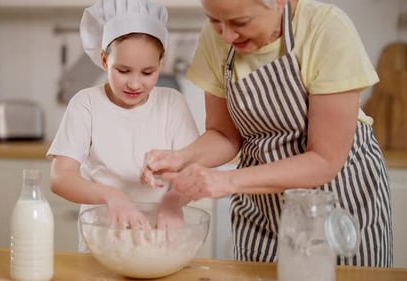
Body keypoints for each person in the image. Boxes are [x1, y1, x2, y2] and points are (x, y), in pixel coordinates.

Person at [141, 0, 392, 267]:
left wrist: (225, 181)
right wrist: (182, 157)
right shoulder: (216, 40)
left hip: (338, 204)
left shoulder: (325, 29)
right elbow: (224, 135)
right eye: (214, 20)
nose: (226, 36)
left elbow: (324, 159)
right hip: (261, 208)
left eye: (241, 22)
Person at [47, 0, 199, 251]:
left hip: (161, 241)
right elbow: (60, 178)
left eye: (147, 72)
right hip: (103, 241)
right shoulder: (86, 104)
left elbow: (194, 173)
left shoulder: (172, 104)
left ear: (161, 64)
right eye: (123, 70)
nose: (135, 84)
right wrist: (111, 195)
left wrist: (174, 200)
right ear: (105, 60)